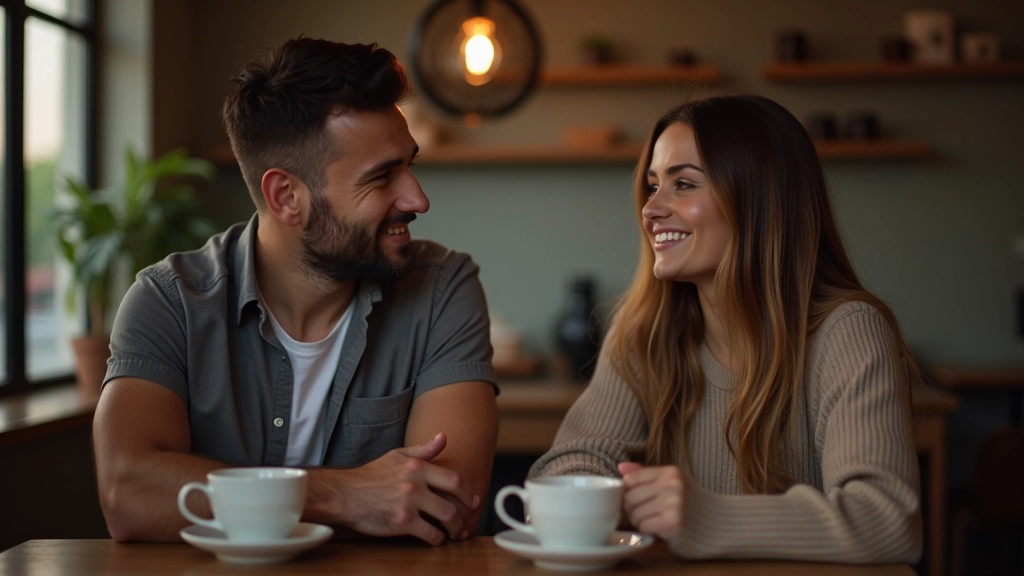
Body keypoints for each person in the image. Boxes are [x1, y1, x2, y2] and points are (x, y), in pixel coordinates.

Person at [93, 37, 498, 546]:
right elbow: (129, 494)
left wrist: (232, 499)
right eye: (381, 177)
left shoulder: (442, 289)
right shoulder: (169, 302)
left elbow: (448, 505)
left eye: (409, 165)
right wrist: (344, 494)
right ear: (286, 196)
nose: (417, 199)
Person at [529, 94, 923, 563]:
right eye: (653, 186)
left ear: (759, 200)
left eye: (683, 184)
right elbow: (568, 464)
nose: (650, 209)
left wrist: (707, 518)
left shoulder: (848, 333)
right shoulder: (643, 333)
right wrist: (590, 495)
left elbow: (888, 520)